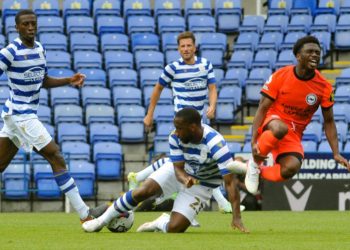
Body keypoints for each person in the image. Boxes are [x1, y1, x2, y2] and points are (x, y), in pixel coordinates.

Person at [0, 10, 107, 222]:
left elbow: (43, 80)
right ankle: (85, 214)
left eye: (33, 24)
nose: (31, 27)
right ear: (17, 27)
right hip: (22, 115)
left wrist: (69, 80)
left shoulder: (40, 49)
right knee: (55, 156)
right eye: (26, 24)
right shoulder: (9, 52)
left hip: (17, 116)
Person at [83, 108, 249, 233]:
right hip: (180, 172)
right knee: (144, 191)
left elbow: (229, 182)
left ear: (192, 127)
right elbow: (177, 168)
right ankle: (101, 222)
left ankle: (160, 222)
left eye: (179, 128)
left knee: (175, 228)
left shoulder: (216, 144)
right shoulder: (175, 137)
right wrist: (184, 179)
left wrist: (236, 217)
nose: (176, 132)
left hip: (202, 184)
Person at [244, 36, 350, 194]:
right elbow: (262, 108)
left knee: (291, 167)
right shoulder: (281, 75)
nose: (315, 55)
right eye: (310, 52)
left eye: (317, 52)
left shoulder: (325, 88)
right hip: (271, 123)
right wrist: (253, 140)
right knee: (280, 127)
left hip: (293, 134)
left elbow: (329, 121)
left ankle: (250, 170)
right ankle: (254, 164)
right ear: (298, 56)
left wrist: (335, 152)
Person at [143, 31, 233, 212]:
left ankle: (206, 205)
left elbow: (213, 88)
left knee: (198, 163)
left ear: (195, 47)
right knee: (186, 164)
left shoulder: (205, 65)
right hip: (183, 126)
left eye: (188, 45)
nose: (185, 49)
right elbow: (158, 89)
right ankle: (218, 203)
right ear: (178, 49)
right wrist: (149, 114)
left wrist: (213, 106)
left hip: (200, 126)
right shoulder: (172, 68)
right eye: (182, 46)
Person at [127, 156, 246, 213]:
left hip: (172, 195)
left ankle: (137, 177)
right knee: (201, 175)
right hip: (168, 197)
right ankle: (223, 203)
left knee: (173, 162)